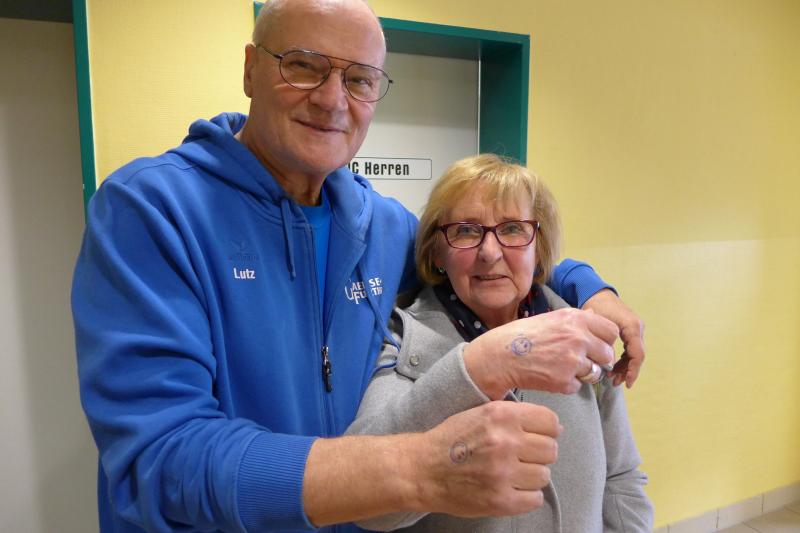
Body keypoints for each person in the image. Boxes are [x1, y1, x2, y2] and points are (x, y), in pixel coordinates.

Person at [71, 0, 646, 531]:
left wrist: (590, 289)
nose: (331, 99)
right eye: (303, 65)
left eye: (359, 79)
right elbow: (163, 458)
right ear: (250, 70)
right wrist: (416, 469)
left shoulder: (381, 226)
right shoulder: (153, 211)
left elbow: (481, 261)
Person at [348, 154, 654, 532]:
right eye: (465, 231)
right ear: (437, 252)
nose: (490, 253)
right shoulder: (401, 342)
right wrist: (474, 371)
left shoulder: (582, 332)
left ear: (538, 246)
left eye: (512, 229)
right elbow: (366, 503)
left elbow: (621, 477)